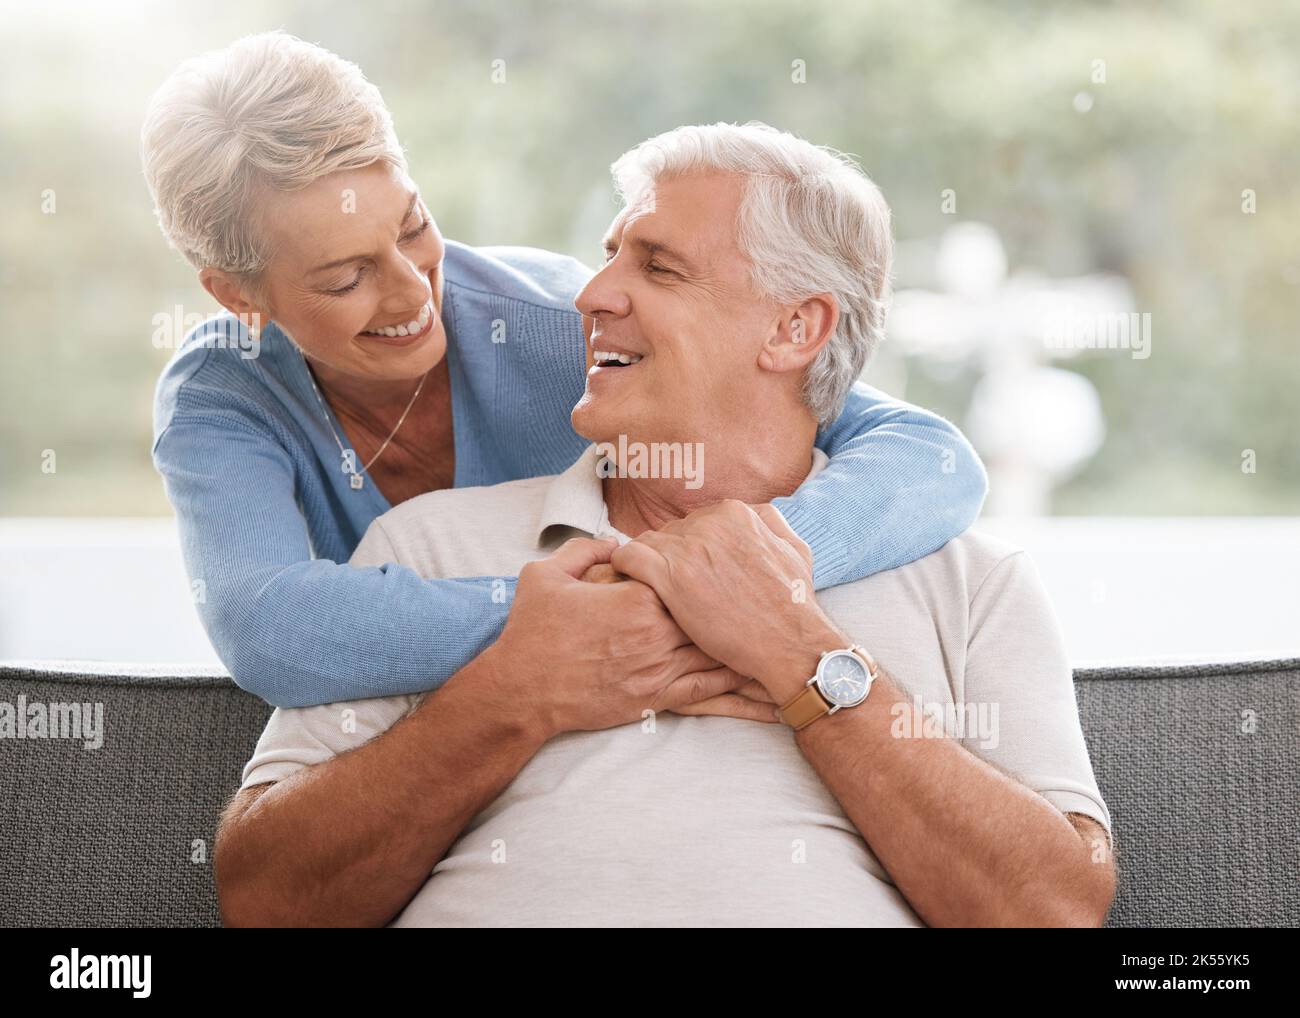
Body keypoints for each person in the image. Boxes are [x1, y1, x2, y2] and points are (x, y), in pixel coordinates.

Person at [214, 123, 1115, 927]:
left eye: (658, 266)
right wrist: (512, 695)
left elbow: (1052, 913)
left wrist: (803, 662)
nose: (592, 294)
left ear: (794, 328)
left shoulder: (971, 583)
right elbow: (266, 901)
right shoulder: (425, 547)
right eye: (609, 256)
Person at [142, 32, 987, 709]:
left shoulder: (561, 326)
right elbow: (271, 632)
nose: (411, 290)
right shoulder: (225, 395)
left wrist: (739, 581)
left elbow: (927, 456)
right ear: (237, 294)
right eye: (344, 277)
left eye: (411, 228)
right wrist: (579, 624)